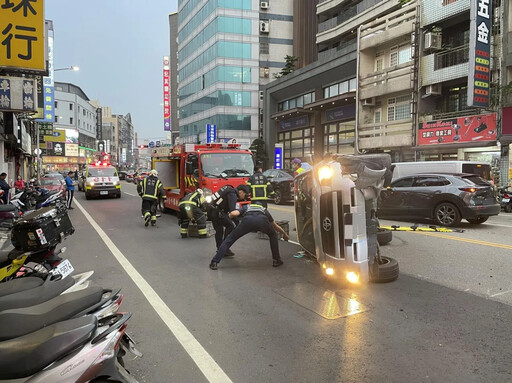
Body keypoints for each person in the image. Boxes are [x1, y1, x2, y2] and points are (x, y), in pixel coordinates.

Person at [209, 187, 289, 270]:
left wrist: (229, 216)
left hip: (247, 222)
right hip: (262, 221)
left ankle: (214, 262)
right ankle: (276, 260)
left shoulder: (247, 207)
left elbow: (233, 213)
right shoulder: (264, 209)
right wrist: (285, 234)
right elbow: (275, 226)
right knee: (273, 235)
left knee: (229, 239)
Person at [207, 185, 244, 257]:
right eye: (245, 194)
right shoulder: (232, 194)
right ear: (241, 192)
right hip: (217, 212)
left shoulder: (227, 189)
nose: (244, 197)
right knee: (230, 226)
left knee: (219, 230)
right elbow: (232, 211)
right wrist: (237, 222)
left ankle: (220, 249)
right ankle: (225, 248)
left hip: (211, 210)